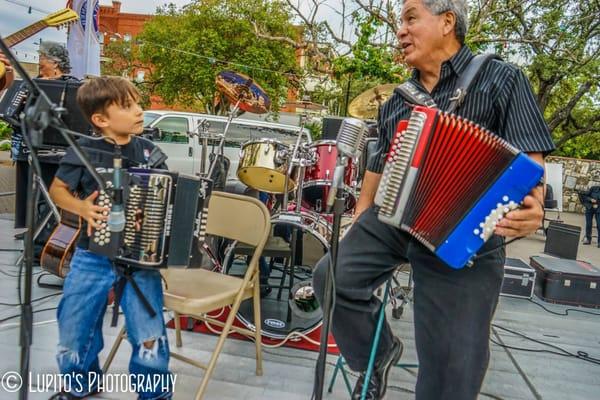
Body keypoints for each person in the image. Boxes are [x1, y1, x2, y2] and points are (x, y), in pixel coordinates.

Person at [312, 1, 555, 399]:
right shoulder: (397, 100)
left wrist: (535, 203)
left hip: (467, 233)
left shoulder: (502, 79)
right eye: (399, 22)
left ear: (447, 22)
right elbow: (379, 159)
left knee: (452, 368)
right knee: (331, 277)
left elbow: (531, 158)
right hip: (396, 220)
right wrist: (361, 211)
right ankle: (376, 357)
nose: (401, 31)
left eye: (410, 18)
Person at [48, 76, 172, 400]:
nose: (139, 111)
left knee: (148, 333)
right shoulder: (84, 150)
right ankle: (81, 383)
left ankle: (154, 394)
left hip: (139, 262)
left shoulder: (149, 152)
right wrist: (82, 209)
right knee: (73, 323)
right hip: (93, 255)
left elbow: (167, 198)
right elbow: (58, 191)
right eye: (128, 106)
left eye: (138, 103)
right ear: (100, 120)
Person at [8, 41, 79, 233]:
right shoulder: (32, 83)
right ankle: (32, 229)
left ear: (55, 63)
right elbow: (15, 112)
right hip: (26, 145)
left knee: (47, 190)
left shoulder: (71, 84)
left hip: (54, 149)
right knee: (28, 190)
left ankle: (44, 232)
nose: (39, 62)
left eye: (42, 58)